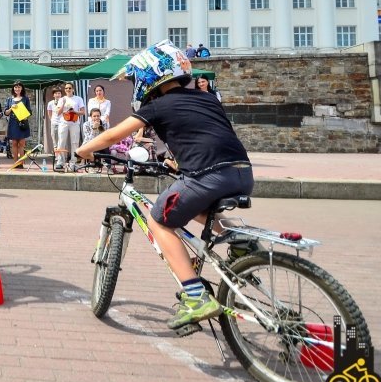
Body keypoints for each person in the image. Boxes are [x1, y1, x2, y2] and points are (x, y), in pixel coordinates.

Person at [77, 40, 253, 331]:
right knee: (198, 210)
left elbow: (112, 136)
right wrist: (176, 161)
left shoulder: (158, 105)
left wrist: (83, 151)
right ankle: (241, 242)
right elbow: (206, 133)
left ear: (151, 76)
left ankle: (195, 296)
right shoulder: (207, 98)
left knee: (158, 219)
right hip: (241, 173)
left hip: (206, 176)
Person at [55, 83, 85, 170]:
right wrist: (63, 104)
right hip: (63, 122)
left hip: (74, 122)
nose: (68, 89)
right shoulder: (62, 99)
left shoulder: (78, 99)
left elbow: (83, 112)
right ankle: (60, 161)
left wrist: (74, 111)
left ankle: (73, 161)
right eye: (66, 88)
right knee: (61, 142)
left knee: (75, 142)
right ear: (65, 90)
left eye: (70, 88)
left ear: (73, 89)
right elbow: (58, 113)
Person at [3, 81, 32, 168]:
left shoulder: (25, 99)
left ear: (22, 88)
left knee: (22, 143)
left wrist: (25, 116)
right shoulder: (9, 99)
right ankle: (16, 163)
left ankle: (21, 163)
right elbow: (6, 113)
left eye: (19, 87)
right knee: (14, 143)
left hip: (22, 122)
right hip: (13, 123)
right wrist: (11, 108)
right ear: (13, 89)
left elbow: (29, 112)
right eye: (15, 87)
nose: (17, 89)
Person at [46, 87, 63, 155]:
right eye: (56, 93)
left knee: (62, 140)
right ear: (53, 95)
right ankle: (56, 156)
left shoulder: (63, 102)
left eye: (59, 93)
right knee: (55, 140)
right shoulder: (50, 103)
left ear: (61, 94)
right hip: (54, 123)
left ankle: (62, 155)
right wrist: (52, 120)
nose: (57, 95)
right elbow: (49, 113)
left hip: (62, 123)